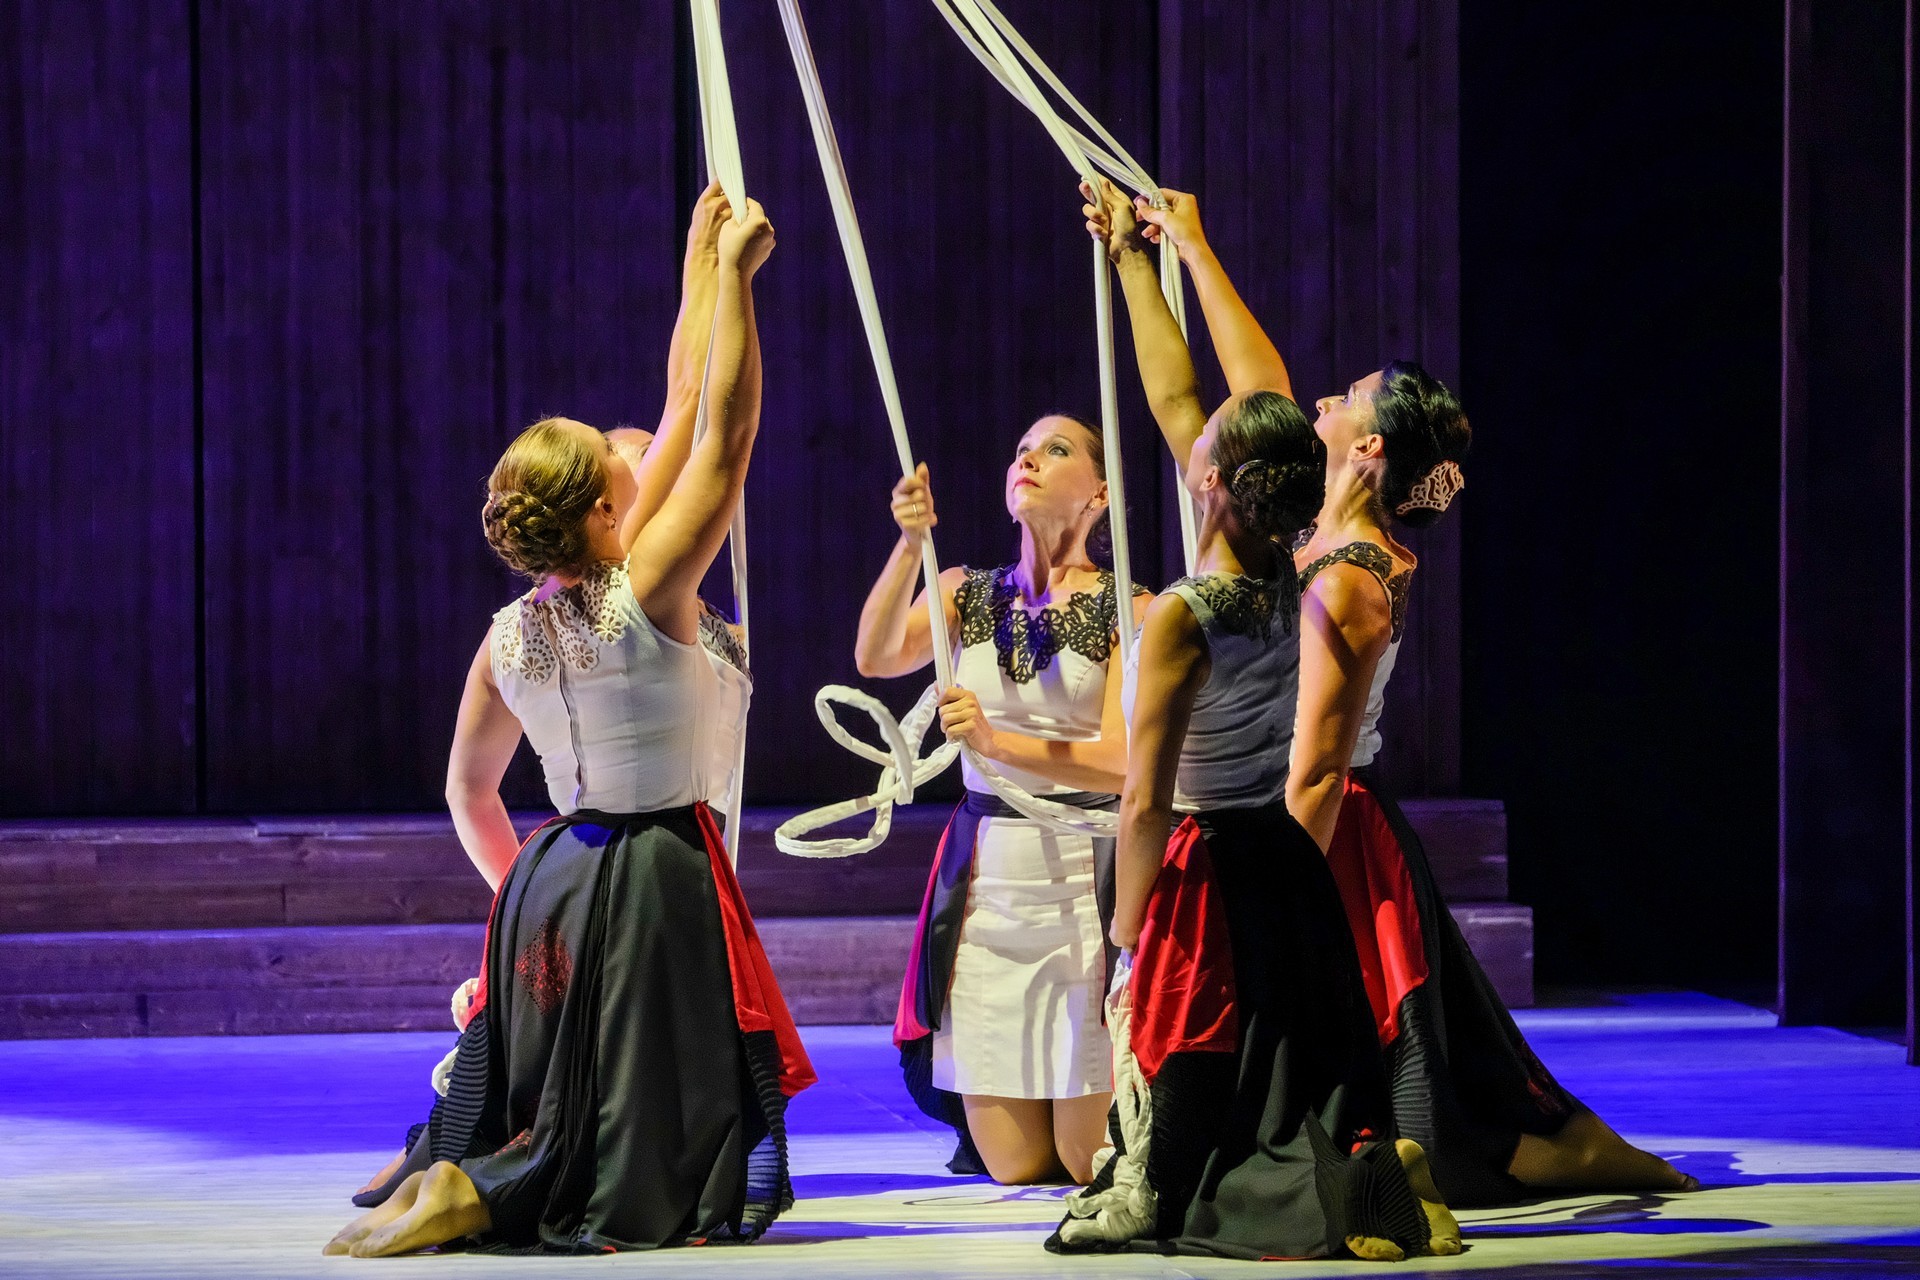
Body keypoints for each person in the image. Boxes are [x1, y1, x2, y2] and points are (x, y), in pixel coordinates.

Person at [1130, 182, 1696, 1206]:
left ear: (1370, 447)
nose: (1323, 399)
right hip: (1292, 817)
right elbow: (1240, 392)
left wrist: (1279, 904)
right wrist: (1177, 247)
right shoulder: (1308, 528)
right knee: (1402, 1071)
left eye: (1347, 395)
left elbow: (1315, 767)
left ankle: (1567, 1155)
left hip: (1326, 831)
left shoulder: (1348, 577)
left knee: (1407, 1086)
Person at [325, 191, 813, 1257]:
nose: (639, 448)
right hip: (655, 863)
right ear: (602, 511)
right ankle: (474, 1192)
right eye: (616, 455)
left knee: (572, 1094)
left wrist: (700, 264)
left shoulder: (509, 632)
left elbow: (466, 788)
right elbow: (724, 436)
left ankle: (454, 1172)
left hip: (552, 876)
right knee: (631, 1141)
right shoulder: (650, 589)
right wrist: (739, 283)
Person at [1049, 184, 1447, 1261]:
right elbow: (1200, 396)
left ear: (1214, 479)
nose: (1188, 429)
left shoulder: (1197, 606)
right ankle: (1351, 1175)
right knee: (1283, 1055)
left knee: (1177, 1034)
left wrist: (1125, 930)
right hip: (1281, 854)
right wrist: (1140, 258)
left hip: (1210, 844)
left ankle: (1174, 1189)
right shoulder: (1293, 568)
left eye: (1205, 443)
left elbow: (1145, 796)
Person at [854, 415, 1147, 1186]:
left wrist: (994, 739)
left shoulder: (1130, 607)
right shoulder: (964, 591)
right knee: (1014, 1166)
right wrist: (908, 543)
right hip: (990, 882)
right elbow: (876, 654)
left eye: (1056, 450)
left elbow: (1125, 762)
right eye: (1022, 449)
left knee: (1086, 1162)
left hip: (1083, 881)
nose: (1029, 458)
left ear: (1100, 493)